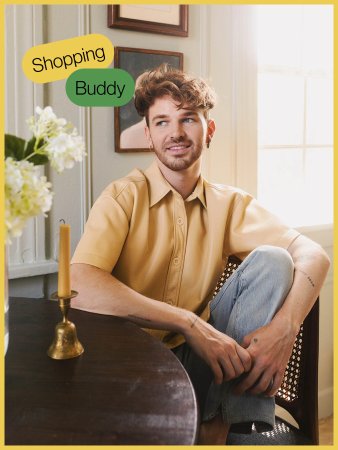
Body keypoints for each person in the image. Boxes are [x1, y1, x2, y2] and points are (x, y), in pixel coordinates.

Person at [71, 65, 330, 445]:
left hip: (200, 371)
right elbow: (80, 284)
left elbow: (314, 255)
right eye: (161, 122)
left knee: (276, 259)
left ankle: (226, 424)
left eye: (187, 119)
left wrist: (285, 330)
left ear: (209, 130)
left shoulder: (230, 204)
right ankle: (231, 430)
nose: (174, 132)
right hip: (125, 367)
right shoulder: (121, 197)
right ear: (148, 135)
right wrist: (189, 325)